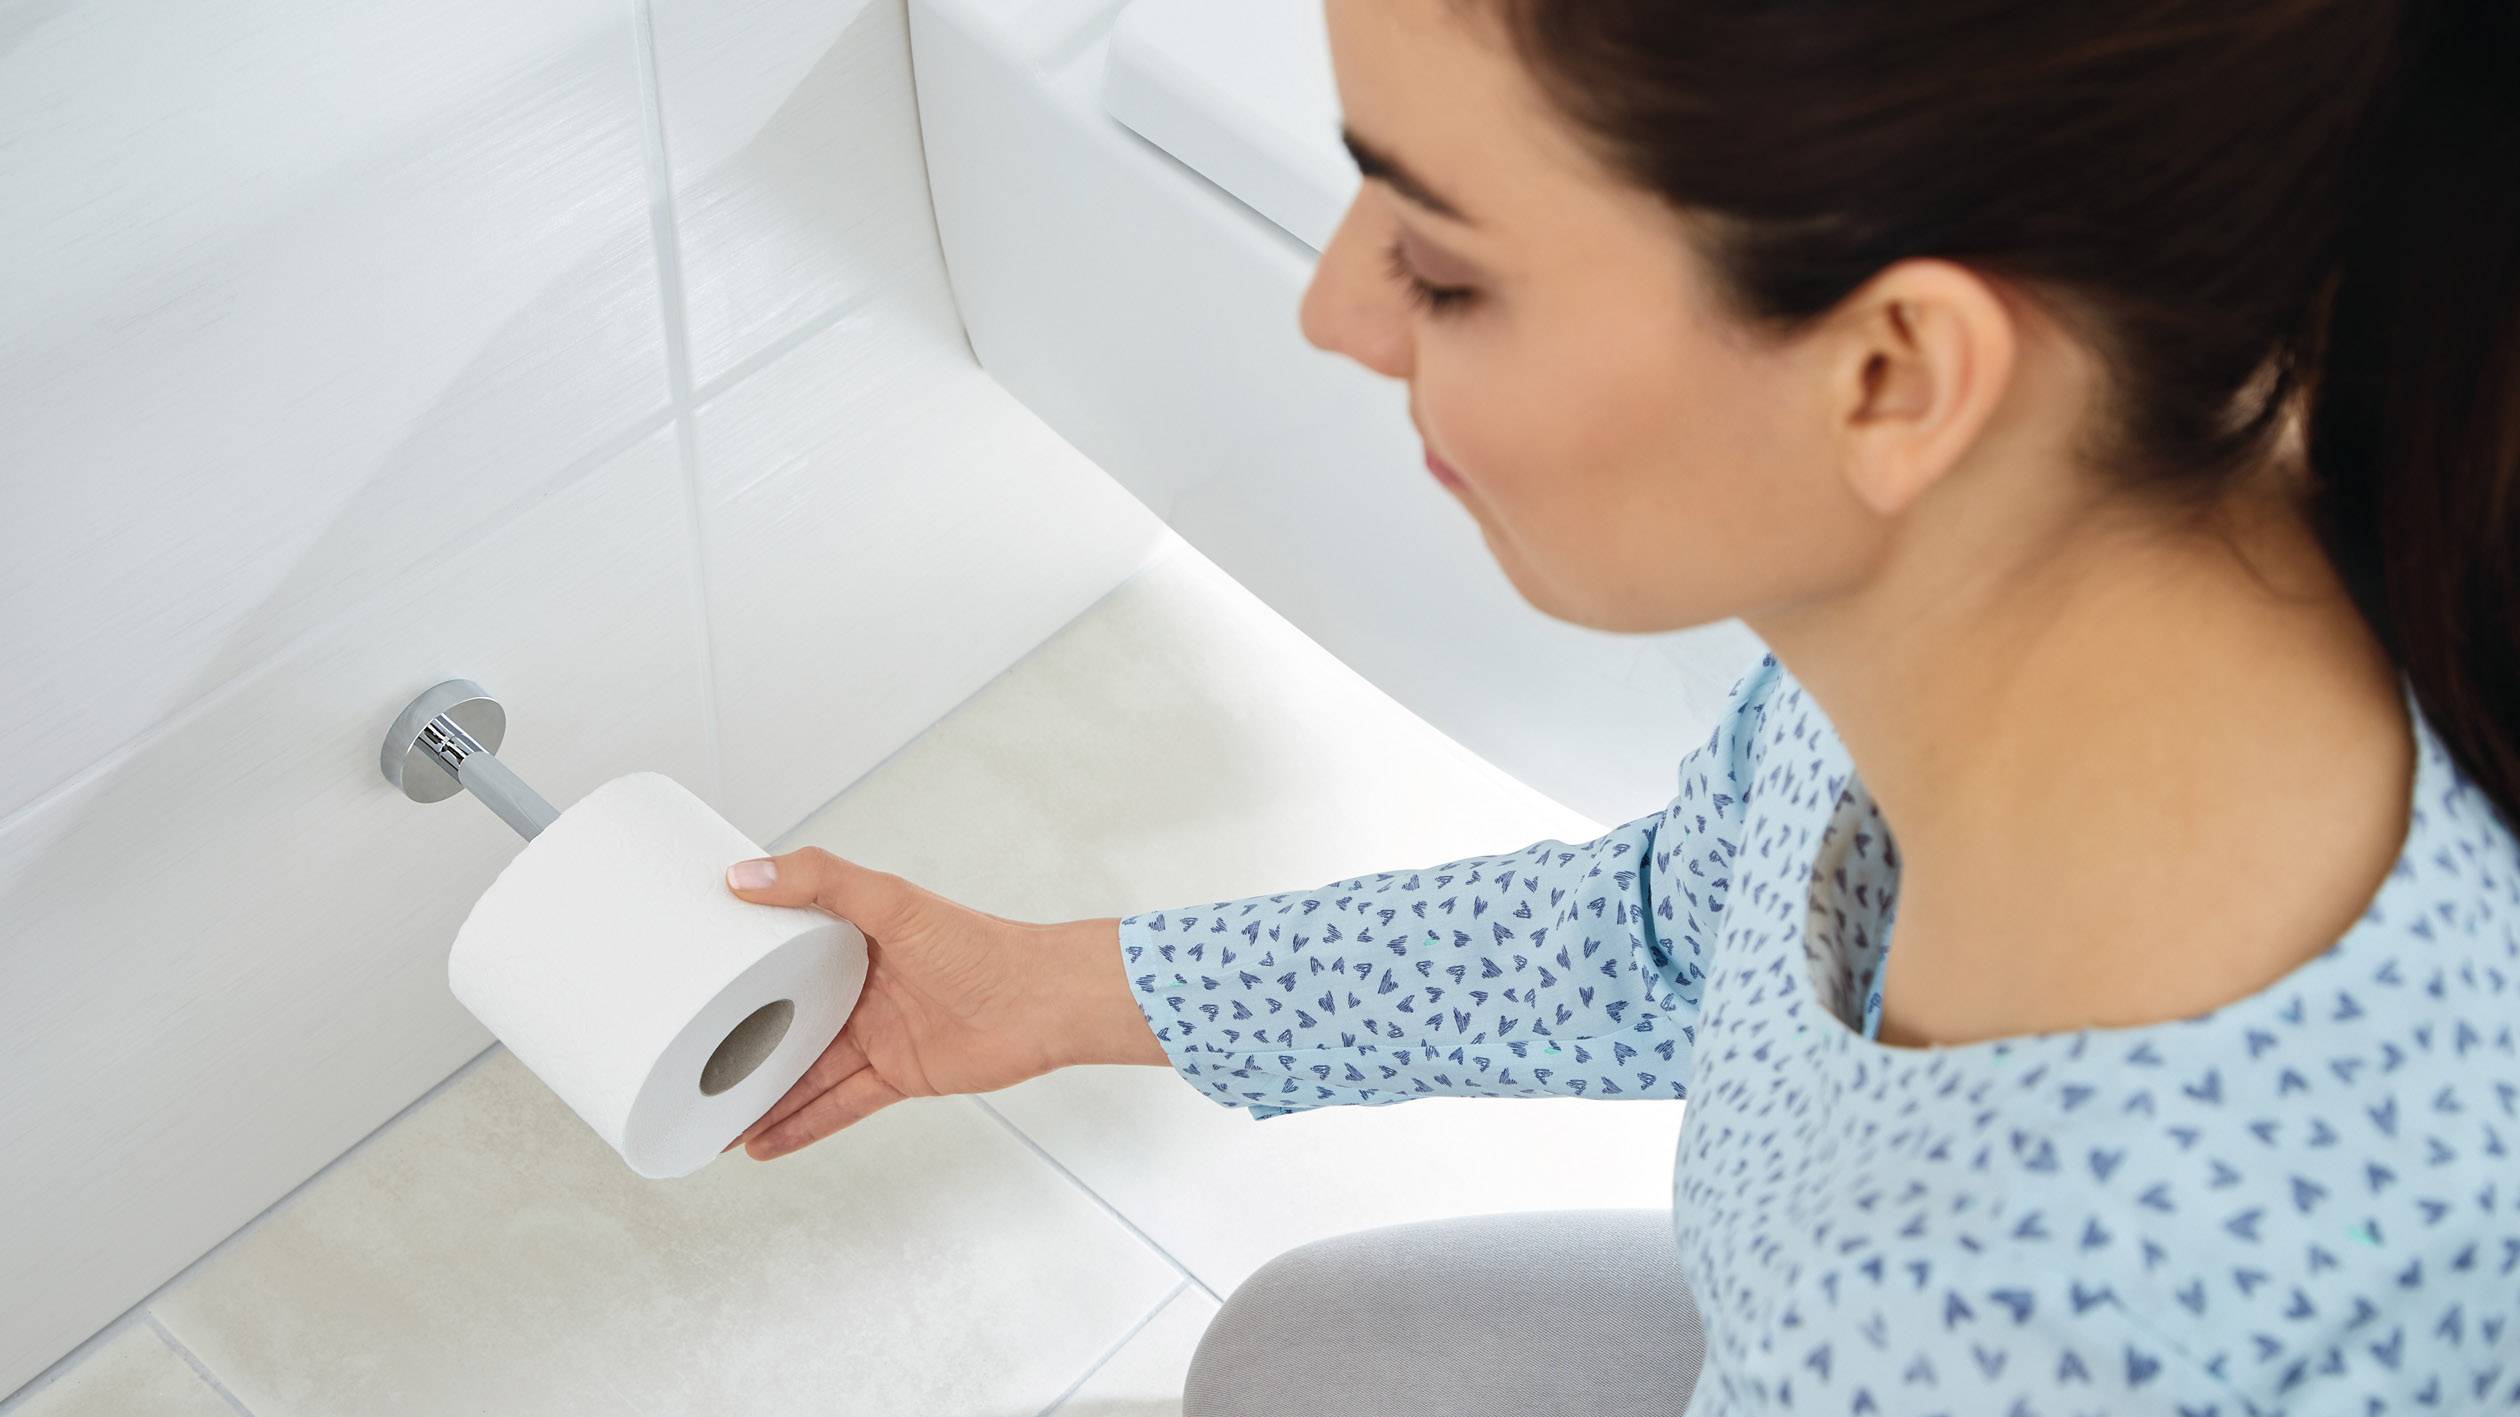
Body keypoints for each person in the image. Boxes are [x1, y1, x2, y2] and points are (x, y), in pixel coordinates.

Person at [716, 0, 2519, 1410]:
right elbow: (1687, 928)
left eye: (1444, 261)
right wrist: (1045, 986)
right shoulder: (2074, 573)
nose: (1339, 310)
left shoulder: (2000, 1317)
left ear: (1895, 372)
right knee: (1300, 1364)